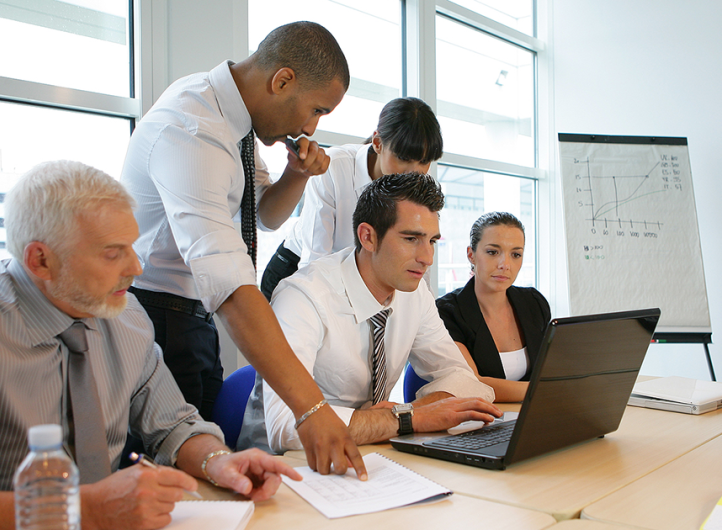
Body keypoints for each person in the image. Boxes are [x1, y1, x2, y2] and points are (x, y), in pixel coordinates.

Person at [120, 22, 365, 477]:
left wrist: (297, 174)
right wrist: (311, 409)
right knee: (171, 484)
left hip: (193, 320)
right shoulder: (195, 128)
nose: (311, 127)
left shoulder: (232, 122)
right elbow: (230, 284)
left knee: (212, 472)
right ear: (283, 81)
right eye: (316, 110)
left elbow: (263, 216)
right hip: (153, 319)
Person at [0, 161, 301, 530]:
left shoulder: (125, 315)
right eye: (113, 253)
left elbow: (174, 425)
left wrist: (217, 460)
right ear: (40, 260)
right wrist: (86, 509)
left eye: (132, 245)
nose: (136, 267)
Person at [238, 173, 502, 453]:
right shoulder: (304, 296)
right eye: (412, 239)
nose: (427, 258)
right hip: (285, 464)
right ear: (368, 237)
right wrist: (409, 419)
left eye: (432, 241)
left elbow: (463, 378)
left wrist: (405, 414)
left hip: (371, 451)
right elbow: (287, 427)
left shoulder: (414, 293)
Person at [260, 97, 443, 301]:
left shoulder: (417, 187)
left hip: (355, 276)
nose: (413, 172)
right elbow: (315, 259)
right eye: (404, 159)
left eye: (424, 162)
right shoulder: (335, 168)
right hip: (296, 269)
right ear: (378, 143)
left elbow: (418, 252)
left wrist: (425, 310)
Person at [436, 212, 551, 403]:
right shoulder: (448, 311)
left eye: (515, 254)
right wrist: (546, 390)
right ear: (471, 255)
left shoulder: (534, 302)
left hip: (528, 416)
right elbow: (473, 385)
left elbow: (551, 370)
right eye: (492, 252)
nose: (505, 264)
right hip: (476, 422)